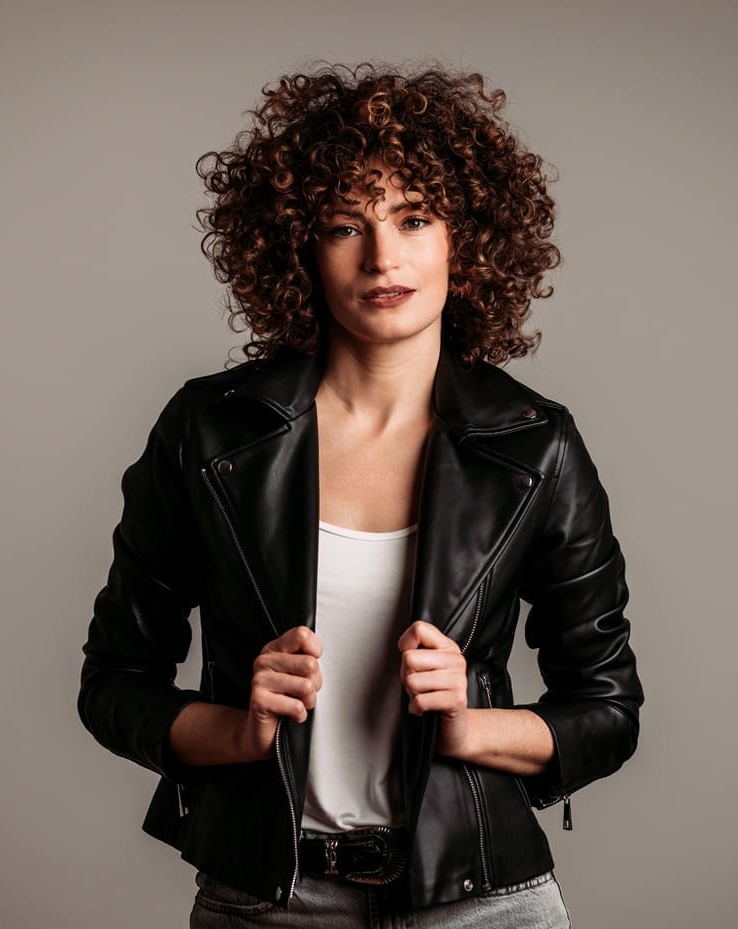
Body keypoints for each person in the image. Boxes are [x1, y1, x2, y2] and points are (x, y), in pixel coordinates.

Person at [78, 63, 643, 928]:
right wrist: (236, 729)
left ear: (469, 236)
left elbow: (607, 707)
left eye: (414, 218)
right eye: (347, 225)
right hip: (267, 900)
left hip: (480, 900)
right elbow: (115, 681)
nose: (384, 256)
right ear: (300, 246)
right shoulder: (212, 431)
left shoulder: (534, 444)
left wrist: (472, 723)